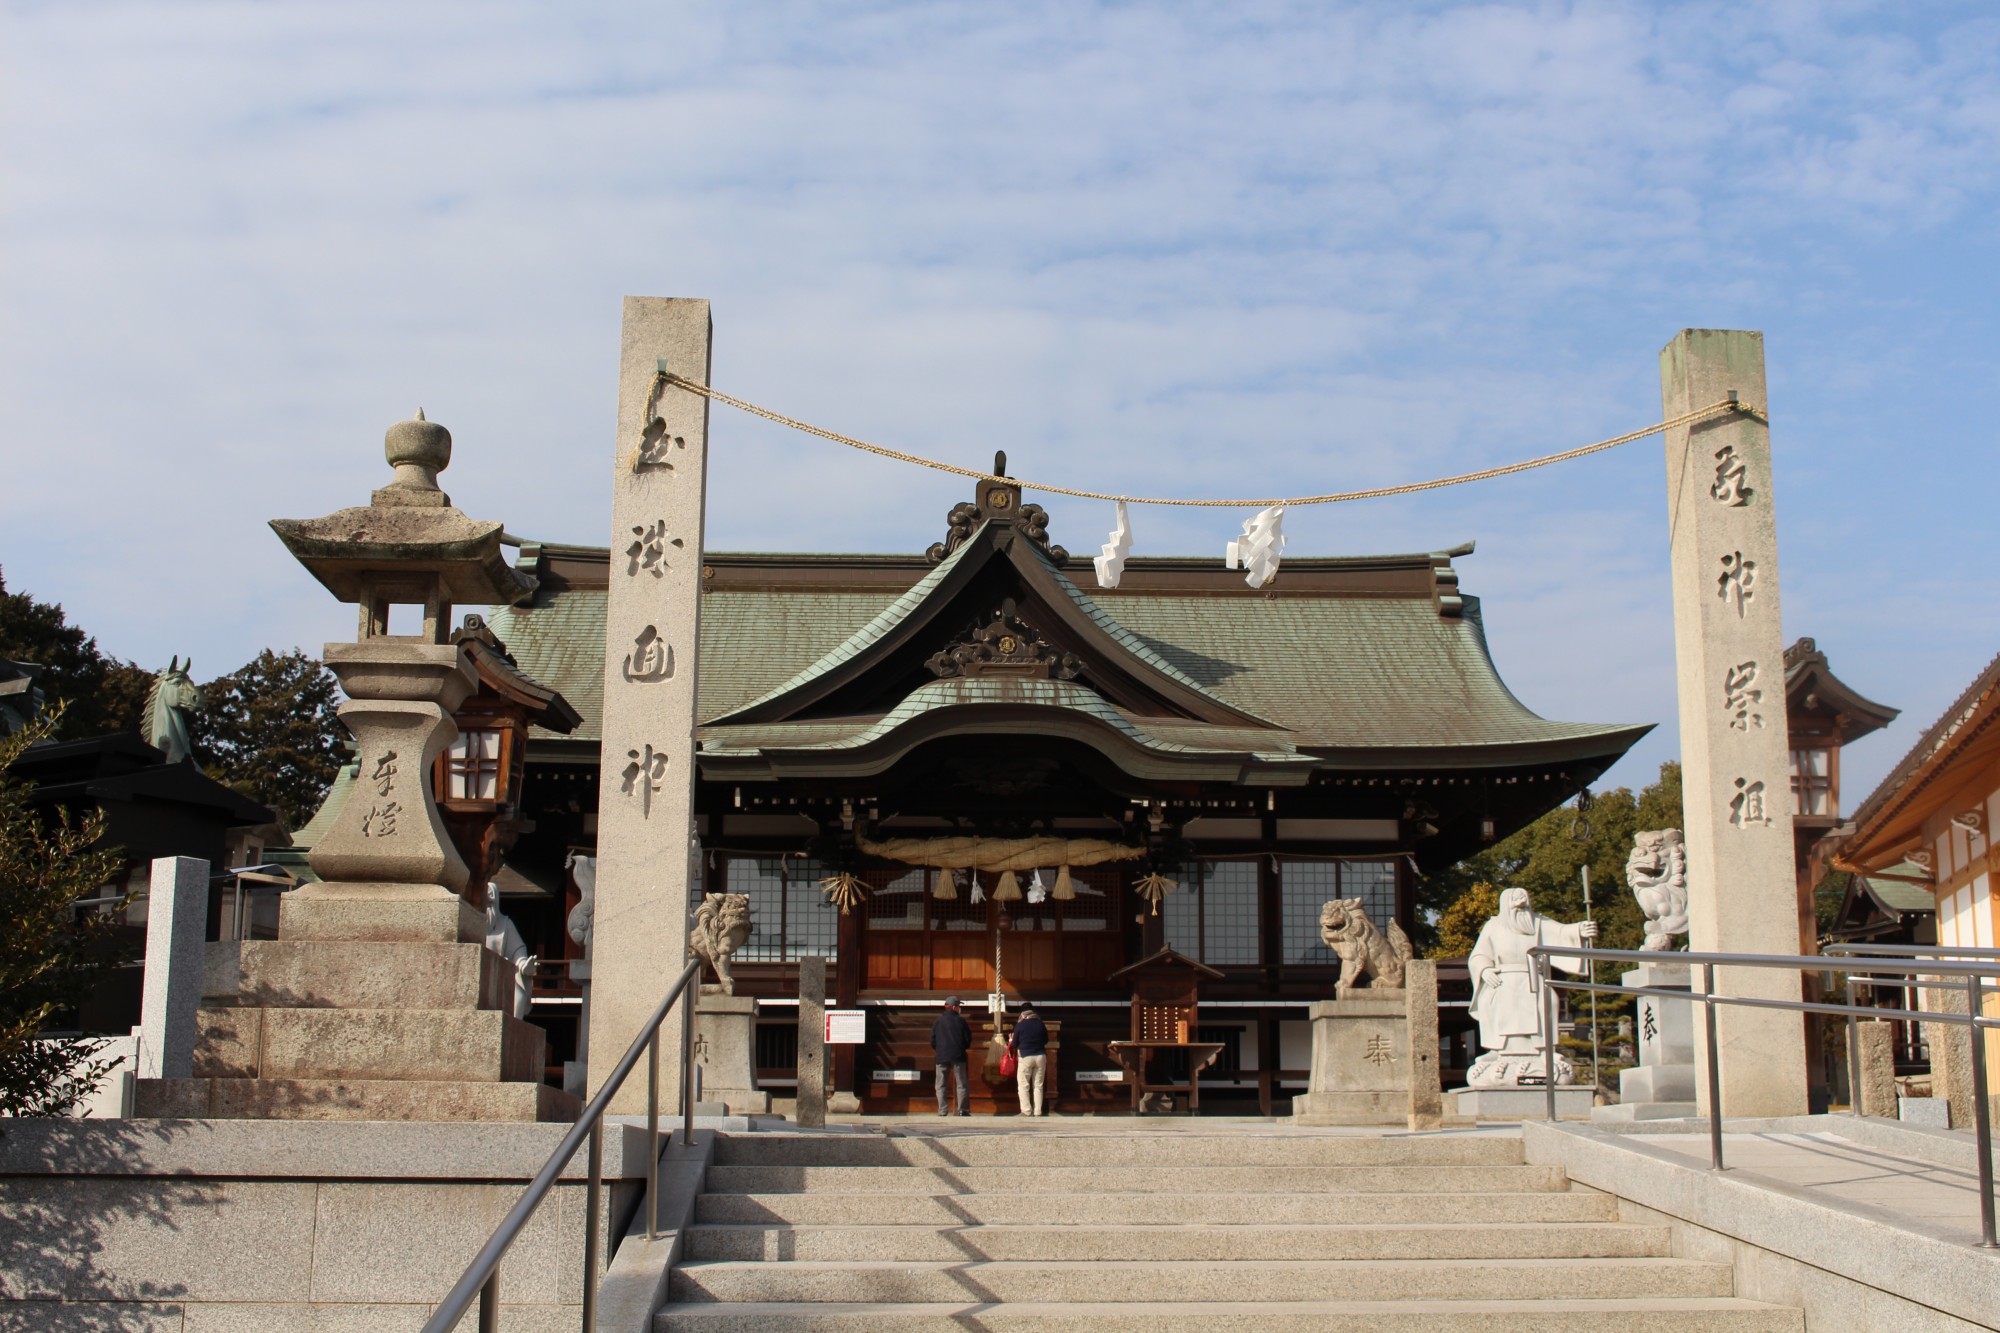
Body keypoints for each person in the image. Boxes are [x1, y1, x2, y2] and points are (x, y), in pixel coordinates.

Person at [1467, 886, 1596, 1064]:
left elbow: (1561, 932)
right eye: (1516, 903)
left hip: (1533, 977)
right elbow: (1479, 955)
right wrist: (1485, 970)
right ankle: (1497, 1050)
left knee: (1548, 1001)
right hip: (1503, 978)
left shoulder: (1538, 923)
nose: (1521, 908)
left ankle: (1544, 1050)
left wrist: (1580, 930)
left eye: (1524, 903)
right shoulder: (1493, 926)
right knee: (1489, 1001)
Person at [931, 995, 973, 1116]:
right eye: (959, 1006)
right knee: (961, 1083)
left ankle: (942, 1110)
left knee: (940, 1084)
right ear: (954, 1007)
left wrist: (939, 1049)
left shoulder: (938, 1022)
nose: (959, 1008)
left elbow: (932, 1041)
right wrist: (962, 1048)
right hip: (958, 1056)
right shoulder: (961, 1021)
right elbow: (967, 1039)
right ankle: (962, 1109)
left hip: (941, 1056)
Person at [1010, 1003, 1049, 1116]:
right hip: (1040, 1055)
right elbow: (1046, 1040)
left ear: (1022, 1012)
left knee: (1023, 1085)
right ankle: (1038, 1111)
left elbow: (1015, 1043)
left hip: (1026, 1055)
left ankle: (1026, 1111)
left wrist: (1011, 1040)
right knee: (1038, 1085)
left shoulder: (1020, 1025)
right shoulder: (1040, 1023)